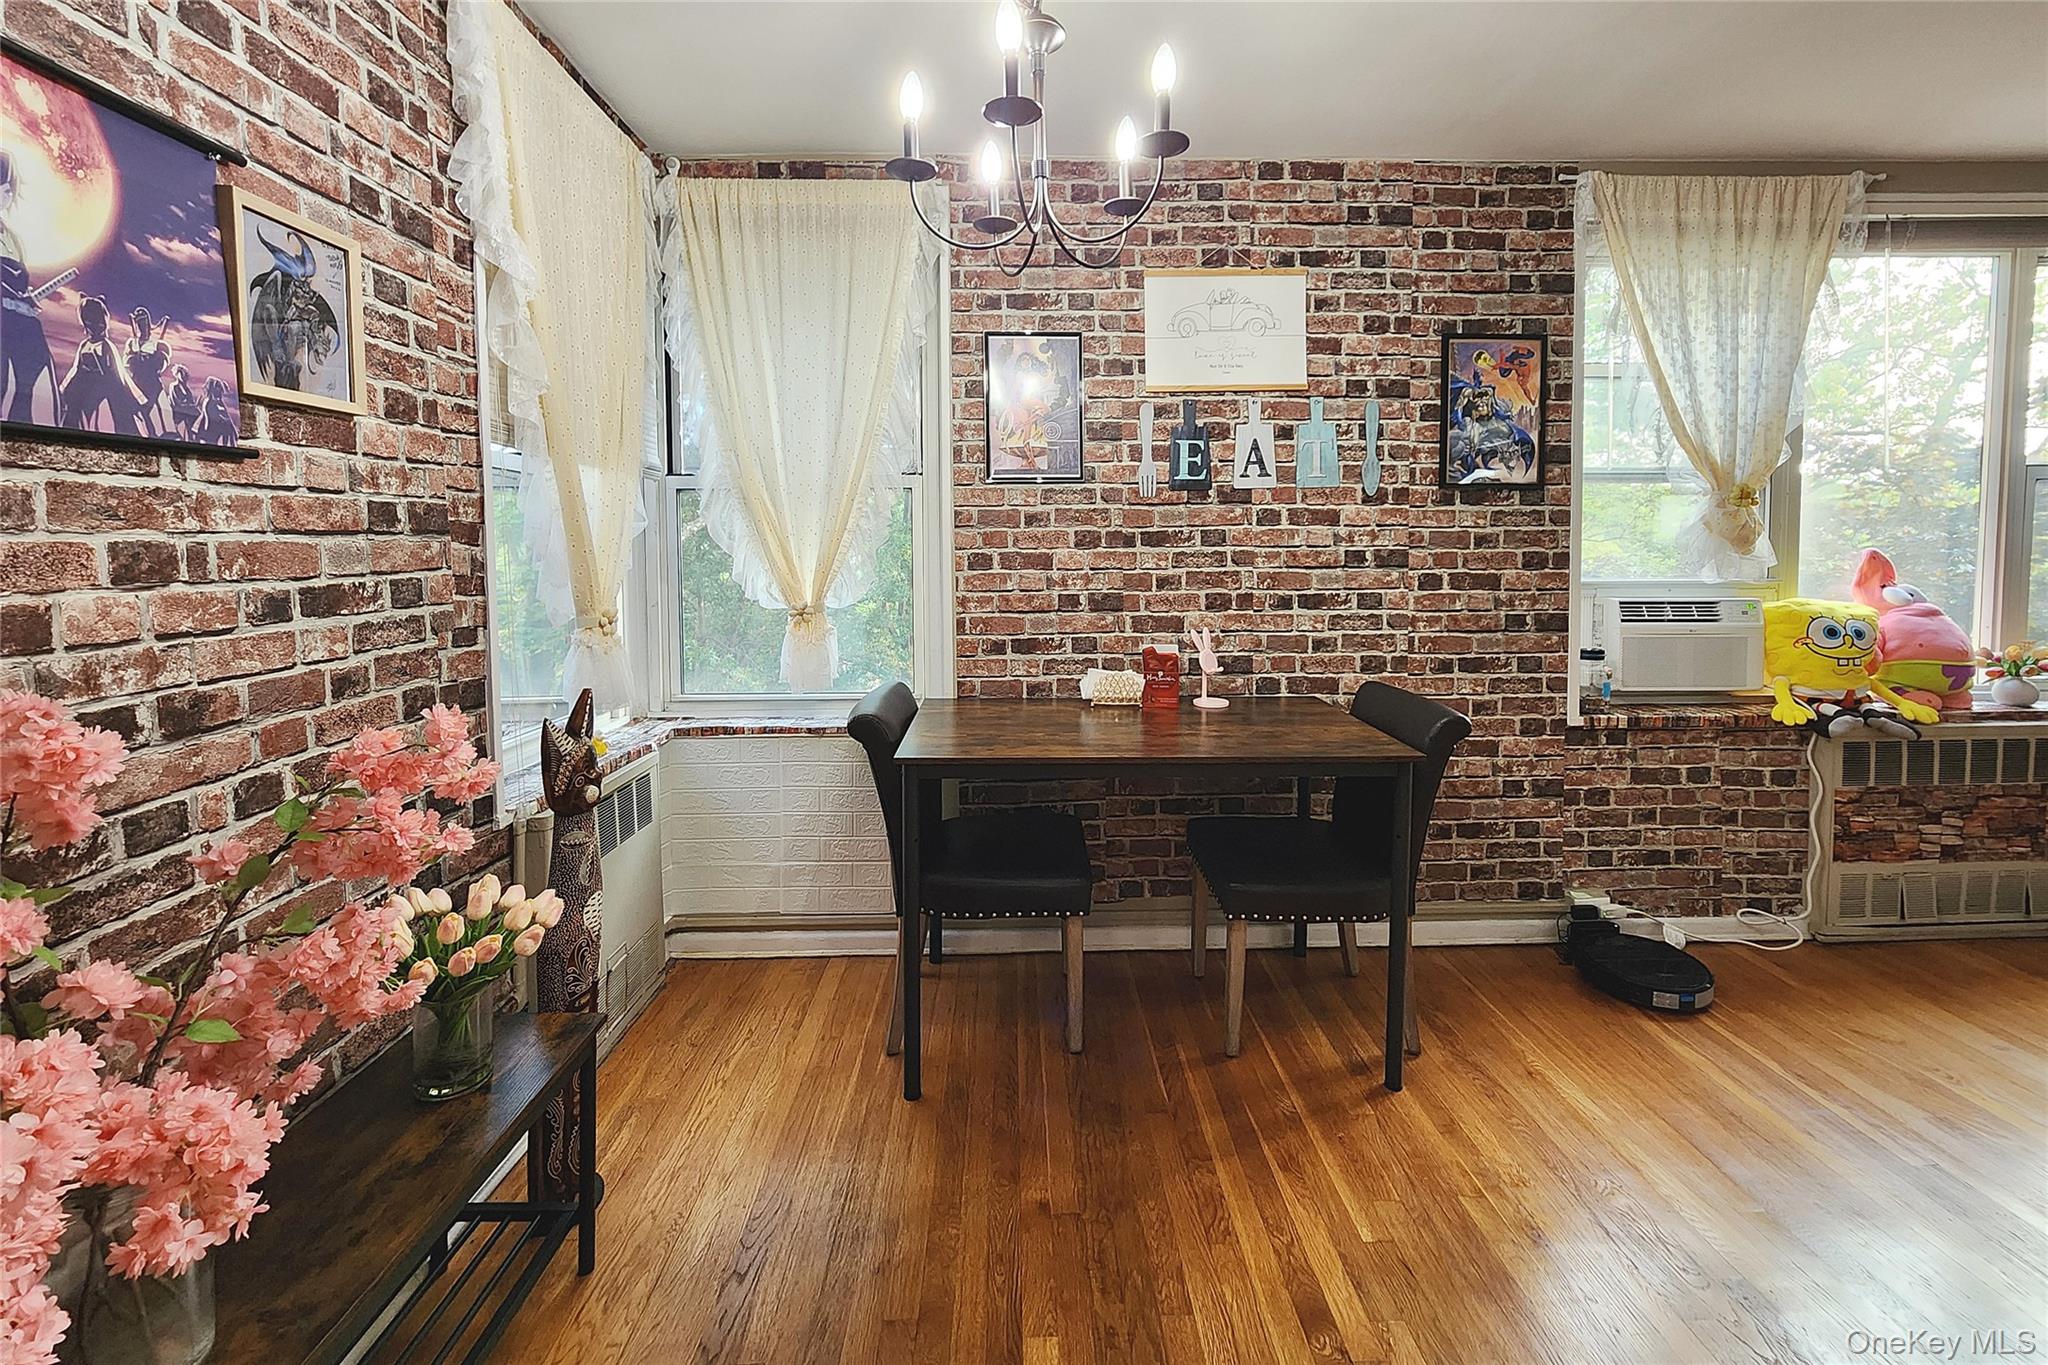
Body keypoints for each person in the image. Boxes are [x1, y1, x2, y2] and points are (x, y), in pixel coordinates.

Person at [0, 149, 57, 423]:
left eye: (9, 190)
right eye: (3, 188)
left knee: (35, 378)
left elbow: (20, 281)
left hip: (23, 322)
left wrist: (27, 297)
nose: (6, 196)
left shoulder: (14, 239)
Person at [59, 295, 144, 433]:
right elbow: (75, 369)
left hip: (106, 388)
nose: (95, 327)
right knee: (73, 406)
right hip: (84, 386)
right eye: (89, 323)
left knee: (119, 415)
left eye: (99, 324)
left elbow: (118, 374)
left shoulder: (107, 346)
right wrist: (63, 388)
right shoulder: (84, 345)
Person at [123, 306, 174, 435]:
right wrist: (134, 359)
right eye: (139, 323)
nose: (142, 326)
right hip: (137, 383)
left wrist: (155, 359)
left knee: (159, 411)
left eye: (144, 322)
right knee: (135, 411)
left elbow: (163, 364)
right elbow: (126, 362)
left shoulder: (157, 344)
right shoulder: (132, 343)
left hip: (152, 384)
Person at [168, 364, 200, 441]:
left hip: (187, 410)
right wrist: (188, 405)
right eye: (181, 374)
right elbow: (176, 402)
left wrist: (193, 405)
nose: (183, 376)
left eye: (185, 374)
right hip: (178, 411)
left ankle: (194, 436)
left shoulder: (187, 389)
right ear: (177, 375)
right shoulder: (174, 386)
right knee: (193, 414)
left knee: (197, 413)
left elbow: (191, 400)